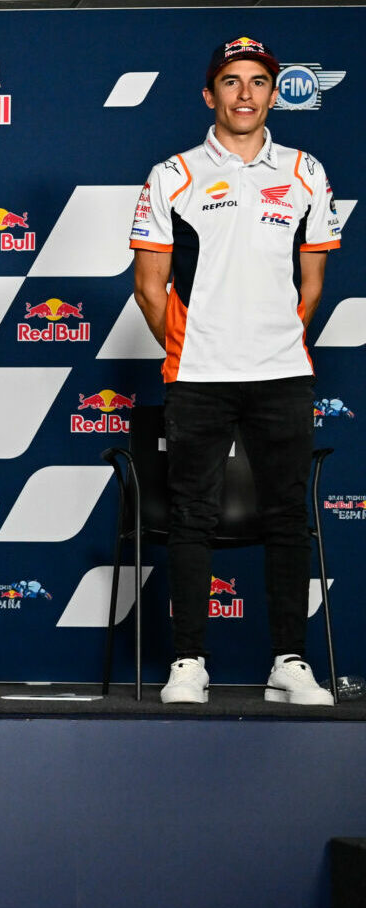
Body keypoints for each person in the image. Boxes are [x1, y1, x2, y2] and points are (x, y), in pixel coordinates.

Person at [130, 35, 340, 705]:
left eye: (257, 81)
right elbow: (149, 288)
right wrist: (199, 347)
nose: (245, 93)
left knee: (286, 515)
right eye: (231, 81)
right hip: (197, 376)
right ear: (209, 94)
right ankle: (188, 662)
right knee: (192, 515)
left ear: (274, 94)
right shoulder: (173, 174)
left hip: (282, 372)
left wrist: (268, 340)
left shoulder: (307, 171)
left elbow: (311, 286)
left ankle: (290, 662)